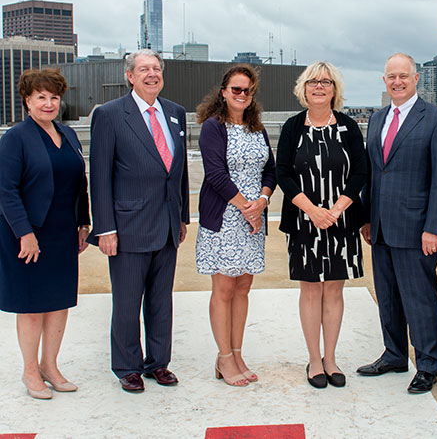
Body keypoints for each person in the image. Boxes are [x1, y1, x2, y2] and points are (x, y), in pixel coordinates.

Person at [87, 50, 189, 393]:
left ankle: (158, 363)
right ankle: (127, 366)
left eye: (156, 68)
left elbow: (179, 172)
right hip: (127, 227)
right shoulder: (110, 115)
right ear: (130, 75)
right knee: (128, 302)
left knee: (162, 300)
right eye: (144, 69)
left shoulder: (174, 113)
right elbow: (100, 176)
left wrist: (183, 217)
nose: (152, 74)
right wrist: (105, 228)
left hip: (168, 226)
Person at [356, 53, 437, 395]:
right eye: (390, 77)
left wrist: (434, 228)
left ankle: (428, 364)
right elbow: (373, 172)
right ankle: (395, 354)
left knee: (420, 298)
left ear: (416, 79)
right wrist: (368, 218)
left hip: (417, 230)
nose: (397, 81)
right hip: (381, 227)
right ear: (384, 81)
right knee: (387, 296)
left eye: (403, 76)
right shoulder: (377, 118)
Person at [276, 61, 367, 389]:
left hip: (341, 223)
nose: (319, 87)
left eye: (326, 82)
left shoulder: (348, 126)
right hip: (304, 222)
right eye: (313, 82)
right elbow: (282, 173)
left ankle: (331, 358)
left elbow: (360, 171)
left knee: (334, 290)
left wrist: (338, 209)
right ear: (304, 88)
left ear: (334, 89)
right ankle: (314, 360)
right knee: (311, 289)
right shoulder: (292, 127)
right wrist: (313, 210)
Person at [0, 69, 90, 399]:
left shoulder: (68, 135)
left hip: (62, 233)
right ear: (27, 100)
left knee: (58, 303)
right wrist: (24, 233)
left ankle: (49, 366)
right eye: (41, 97)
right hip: (27, 235)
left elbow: (80, 183)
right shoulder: (15, 138)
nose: (49, 103)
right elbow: (6, 191)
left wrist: (83, 224)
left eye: (54, 97)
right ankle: (29, 371)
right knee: (33, 306)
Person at [195, 65, 276, 387]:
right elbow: (215, 175)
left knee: (244, 287)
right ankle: (224, 356)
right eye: (235, 89)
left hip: (253, 219)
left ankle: (237, 352)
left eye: (247, 90)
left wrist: (263, 202)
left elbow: (271, 170)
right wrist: (246, 207)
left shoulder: (257, 128)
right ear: (224, 91)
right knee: (225, 288)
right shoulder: (213, 128)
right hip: (225, 218)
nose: (241, 95)